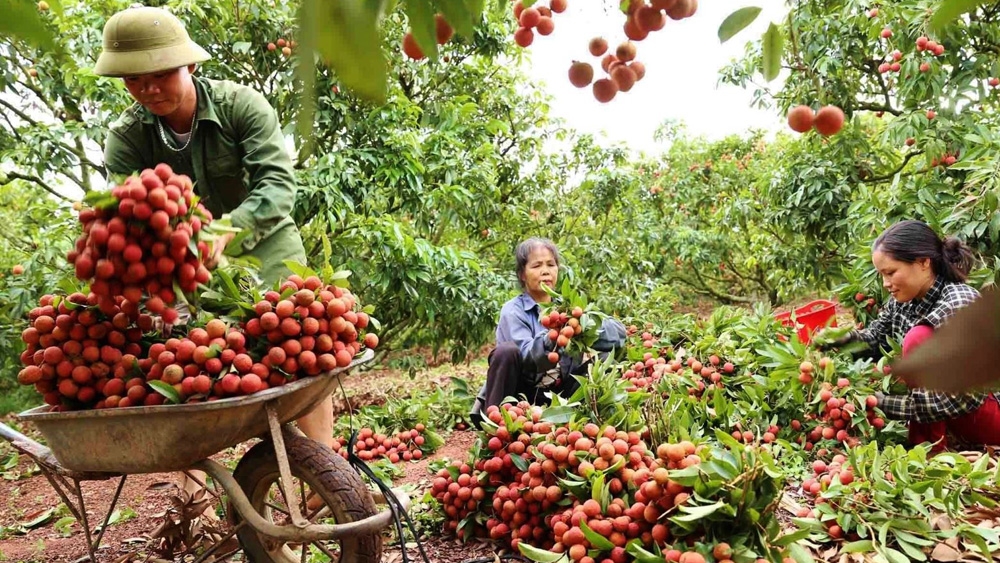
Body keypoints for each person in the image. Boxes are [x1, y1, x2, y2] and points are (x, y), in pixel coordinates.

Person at [94, 5, 333, 511]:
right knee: (182, 359)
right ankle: (193, 486)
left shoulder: (241, 106)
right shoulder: (126, 137)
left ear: (191, 67)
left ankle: (322, 469)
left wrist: (225, 230)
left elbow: (277, 185)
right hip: (186, 268)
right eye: (135, 80)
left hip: (267, 248)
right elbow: (129, 214)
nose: (149, 89)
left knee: (302, 351)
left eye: (161, 74)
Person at [825, 220, 999, 450]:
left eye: (891, 272)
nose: (886, 283)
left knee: (917, 339)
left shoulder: (959, 302)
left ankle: (930, 449)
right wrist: (838, 342)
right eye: (881, 275)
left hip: (988, 414)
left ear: (923, 262)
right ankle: (931, 444)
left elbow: (962, 400)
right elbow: (874, 339)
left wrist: (885, 403)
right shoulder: (903, 302)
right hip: (957, 417)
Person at [470, 238, 627, 426]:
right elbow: (527, 357)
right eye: (536, 266)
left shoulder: (570, 308)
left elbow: (619, 336)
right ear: (522, 274)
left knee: (605, 360)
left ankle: (582, 418)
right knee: (506, 351)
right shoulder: (512, 311)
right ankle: (495, 425)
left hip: (561, 394)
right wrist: (553, 336)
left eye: (551, 265)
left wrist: (581, 324)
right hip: (520, 395)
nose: (545, 270)